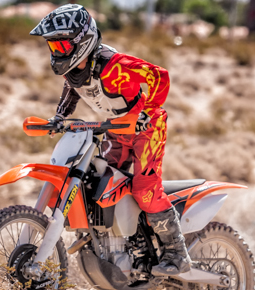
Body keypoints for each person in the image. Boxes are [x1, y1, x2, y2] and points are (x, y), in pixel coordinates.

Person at [30, 4, 191, 276]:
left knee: (145, 189)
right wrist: (59, 117)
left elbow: (159, 75)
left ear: (82, 41)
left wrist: (147, 112)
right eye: (53, 46)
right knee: (100, 181)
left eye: (61, 46)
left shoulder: (115, 65)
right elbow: (72, 89)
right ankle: (121, 238)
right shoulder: (74, 71)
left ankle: (177, 253)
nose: (57, 52)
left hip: (146, 129)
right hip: (116, 130)